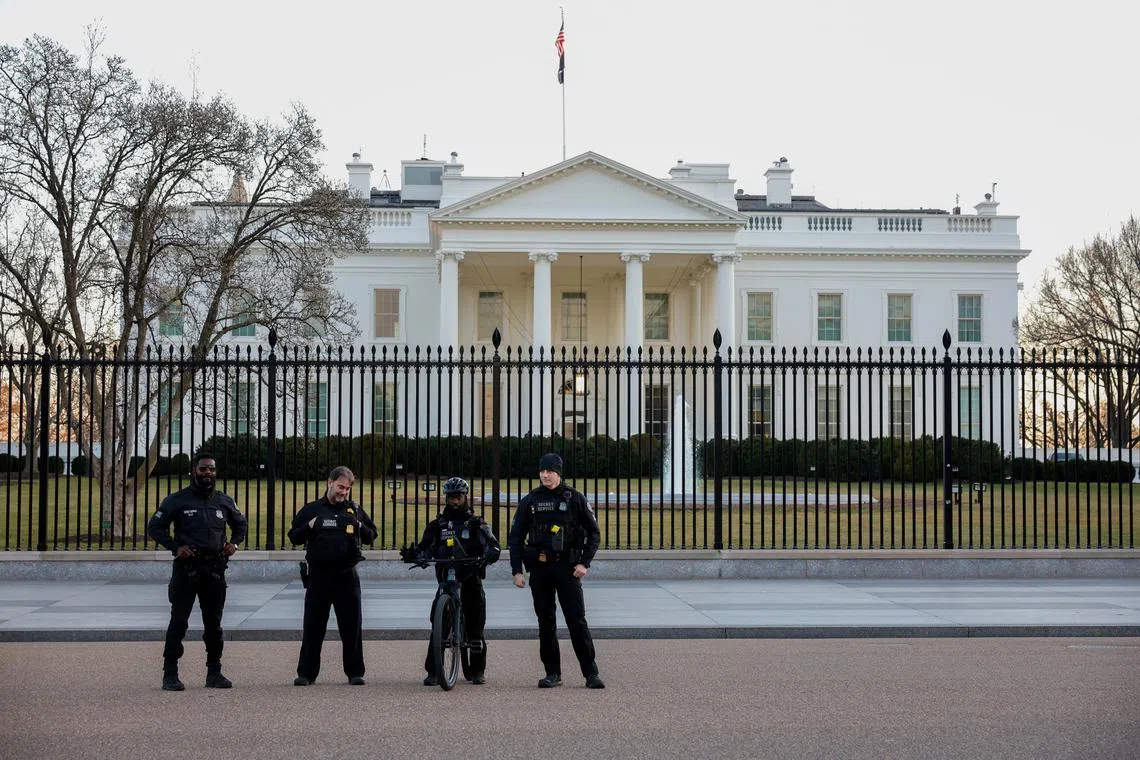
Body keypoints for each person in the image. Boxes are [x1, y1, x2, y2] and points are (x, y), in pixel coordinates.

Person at [147, 451, 247, 691]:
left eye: (211, 469)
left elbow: (240, 523)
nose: (208, 473)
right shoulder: (177, 500)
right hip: (187, 570)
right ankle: (170, 673)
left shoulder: (224, 500)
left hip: (214, 570)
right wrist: (175, 547)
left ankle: (214, 672)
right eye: (203, 469)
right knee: (179, 622)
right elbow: (155, 526)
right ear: (194, 471)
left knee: (214, 625)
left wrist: (234, 543)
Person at [508, 452, 605, 689]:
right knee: (546, 622)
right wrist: (516, 570)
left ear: (558, 473)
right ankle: (552, 673)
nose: (545, 475)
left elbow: (594, 533)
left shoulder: (575, 499)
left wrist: (584, 563)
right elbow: (516, 536)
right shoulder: (530, 500)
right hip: (540, 570)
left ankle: (591, 673)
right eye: (542, 471)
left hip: (567, 569)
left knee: (576, 621)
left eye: (549, 471)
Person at [402, 477, 500, 686]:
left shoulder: (476, 523)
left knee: (475, 620)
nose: (454, 502)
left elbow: (491, 544)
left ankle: (476, 669)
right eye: (450, 498)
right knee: (439, 621)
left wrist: (491, 553)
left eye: (458, 497)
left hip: (469, 575)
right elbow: (426, 546)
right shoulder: (438, 524)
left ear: (465, 498)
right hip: (447, 577)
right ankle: (434, 671)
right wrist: (414, 554)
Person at [288, 465, 377, 686]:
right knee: (313, 627)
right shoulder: (312, 510)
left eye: (347, 489)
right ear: (330, 483)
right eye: (340, 487)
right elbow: (294, 537)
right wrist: (309, 526)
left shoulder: (354, 510)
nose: (343, 492)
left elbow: (371, 535)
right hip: (319, 577)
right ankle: (306, 673)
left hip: (346, 576)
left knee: (351, 627)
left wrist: (358, 525)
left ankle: (355, 672)